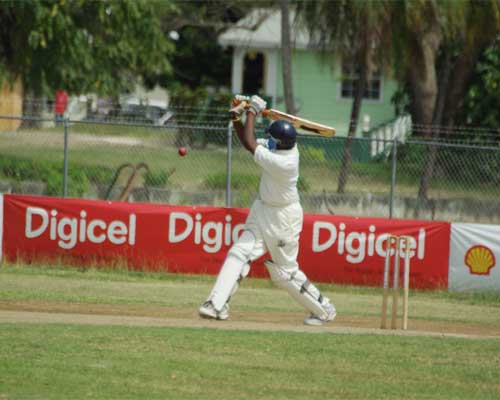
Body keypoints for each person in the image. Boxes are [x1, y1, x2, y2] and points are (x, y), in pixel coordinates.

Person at [198, 94, 336, 326]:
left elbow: (252, 144)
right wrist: (237, 118)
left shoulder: (285, 162)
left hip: (284, 218)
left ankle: (324, 309)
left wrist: (252, 111)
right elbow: (248, 141)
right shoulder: (278, 148)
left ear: (279, 144)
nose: (267, 141)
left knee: (284, 273)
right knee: (239, 253)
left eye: (271, 139)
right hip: (262, 209)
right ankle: (216, 304)